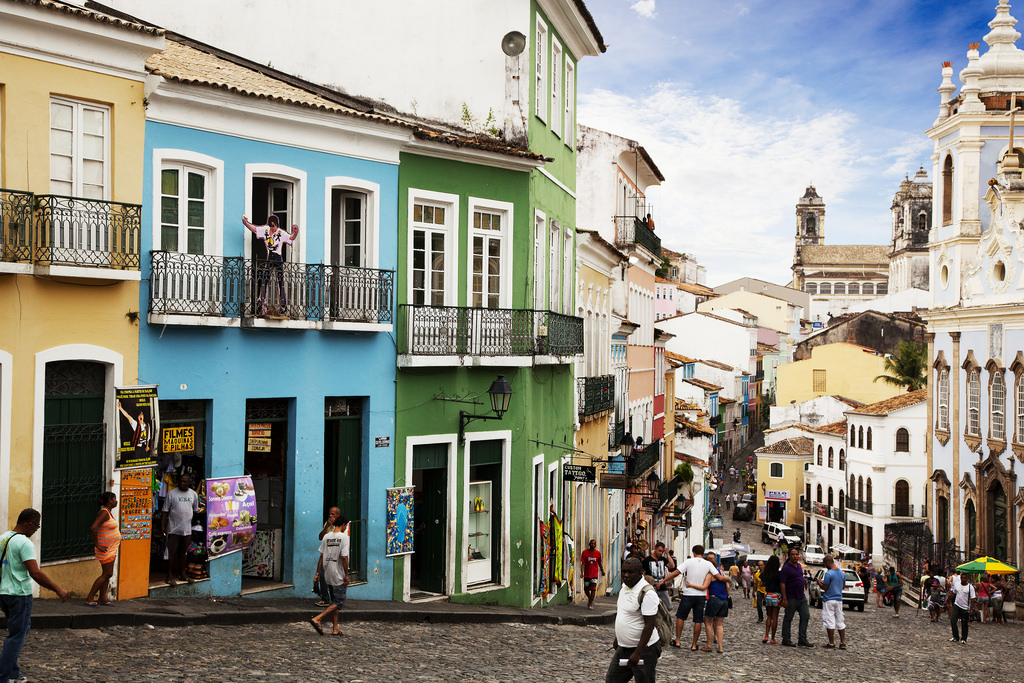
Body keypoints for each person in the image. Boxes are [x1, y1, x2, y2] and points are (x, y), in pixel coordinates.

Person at [1, 509, 70, 683]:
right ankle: (3, 676)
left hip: (4, 592)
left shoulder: (3, 538)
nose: (36, 530)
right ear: (28, 524)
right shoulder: (24, 543)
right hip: (19, 594)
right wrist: (57, 589)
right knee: (17, 636)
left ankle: (13, 673)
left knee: (18, 630)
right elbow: (35, 573)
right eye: (37, 526)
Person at [607, 557, 660, 683]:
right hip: (623, 648)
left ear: (641, 573)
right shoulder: (624, 588)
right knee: (612, 680)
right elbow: (624, 614)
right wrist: (618, 638)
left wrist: (638, 652)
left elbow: (649, 625)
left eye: (630, 572)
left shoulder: (647, 593)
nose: (626, 575)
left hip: (644, 650)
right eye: (624, 571)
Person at [242, 214, 299, 316]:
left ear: (277, 225)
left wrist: (295, 232)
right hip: (270, 257)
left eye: (274, 226)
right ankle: (261, 302)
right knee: (265, 279)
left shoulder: (281, 233)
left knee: (280, 281)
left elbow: (291, 238)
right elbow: (255, 229)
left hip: (278, 257)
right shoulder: (266, 230)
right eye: (271, 226)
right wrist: (245, 223)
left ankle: (283, 306)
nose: (272, 229)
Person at [672, 544, 719, 650]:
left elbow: (676, 572)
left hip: (688, 594)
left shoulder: (689, 562)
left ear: (693, 552)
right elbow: (717, 575)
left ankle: (678, 640)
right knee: (698, 620)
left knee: (681, 617)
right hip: (701, 596)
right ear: (703, 553)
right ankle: (694, 645)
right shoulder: (708, 564)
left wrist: (664, 580)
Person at [310, 515, 350, 636]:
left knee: (334, 602)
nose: (345, 528)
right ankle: (318, 618)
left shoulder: (327, 536)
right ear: (343, 524)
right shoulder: (344, 538)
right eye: (345, 526)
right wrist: (346, 575)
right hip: (338, 573)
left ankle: (335, 628)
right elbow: (344, 557)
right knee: (338, 602)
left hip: (327, 572)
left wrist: (317, 573)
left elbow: (321, 556)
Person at [161, 472, 199, 586]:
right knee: (171, 554)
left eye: (185, 481)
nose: (182, 483)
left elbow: (195, 510)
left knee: (183, 553)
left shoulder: (193, 494)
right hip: (173, 530)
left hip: (186, 530)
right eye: (181, 481)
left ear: (189, 482)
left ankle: (183, 575)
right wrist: (163, 526)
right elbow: (164, 512)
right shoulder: (171, 494)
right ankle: (169, 576)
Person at [84, 492, 121, 606]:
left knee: (107, 574)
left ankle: (102, 598)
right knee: (107, 574)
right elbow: (93, 527)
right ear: (109, 500)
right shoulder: (104, 513)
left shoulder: (108, 513)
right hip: (105, 549)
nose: (116, 501)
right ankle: (90, 598)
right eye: (115, 499)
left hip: (111, 548)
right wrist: (97, 544)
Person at [697, 551, 730, 653]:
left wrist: (691, 585)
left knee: (708, 622)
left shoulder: (710, 574)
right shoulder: (721, 572)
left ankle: (709, 645)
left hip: (714, 599)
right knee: (719, 624)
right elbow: (727, 586)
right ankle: (720, 647)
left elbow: (704, 586)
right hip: (724, 600)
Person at [780, 546, 812, 647]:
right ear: (789, 556)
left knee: (805, 615)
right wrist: (784, 598)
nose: (794, 556)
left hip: (801, 597)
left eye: (796, 554)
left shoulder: (799, 567)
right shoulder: (786, 568)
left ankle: (802, 638)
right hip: (791, 597)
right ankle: (786, 638)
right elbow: (782, 583)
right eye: (793, 555)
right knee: (788, 618)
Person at [816, 555, 847, 649]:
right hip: (839, 599)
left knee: (830, 620)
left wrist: (819, 582)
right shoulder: (842, 573)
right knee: (840, 620)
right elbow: (843, 586)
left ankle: (831, 642)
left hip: (829, 599)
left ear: (827, 562)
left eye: (825, 564)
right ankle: (842, 642)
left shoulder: (829, 574)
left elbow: (825, 587)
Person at [642, 542, 678, 612]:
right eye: (659, 551)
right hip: (651, 588)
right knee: (652, 607)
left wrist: (667, 554)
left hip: (662, 586)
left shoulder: (663, 559)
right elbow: (643, 574)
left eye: (662, 551)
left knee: (667, 607)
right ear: (655, 549)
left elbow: (672, 566)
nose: (660, 553)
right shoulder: (647, 560)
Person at [948, 572, 977, 644]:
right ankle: (955, 636)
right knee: (953, 620)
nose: (963, 579)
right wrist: (948, 599)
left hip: (965, 607)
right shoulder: (957, 584)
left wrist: (971, 609)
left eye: (965, 578)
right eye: (962, 578)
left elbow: (973, 599)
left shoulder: (970, 587)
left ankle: (964, 638)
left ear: (967, 579)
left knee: (964, 623)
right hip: (957, 605)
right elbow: (953, 593)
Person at [761, 555, 782, 643]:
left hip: (768, 595)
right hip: (776, 596)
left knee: (768, 616)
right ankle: (772, 638)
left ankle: (766, 635)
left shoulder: (765, 574)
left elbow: (762, 584)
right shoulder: (779, 574)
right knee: (775, 617)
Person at [581, 539, 605, 610]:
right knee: (586, 589)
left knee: (593, 589)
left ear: (595, 545)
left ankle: (590, 603)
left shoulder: (598, 553)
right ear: (589, 544)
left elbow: (599, 563)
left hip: (594, 574)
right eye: (591, 543)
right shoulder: (585, 552)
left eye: (594, 544)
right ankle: (590, 599)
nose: (592, 545)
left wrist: (602, 570)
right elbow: (583, 563)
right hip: (587, 574)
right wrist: (582, 573)